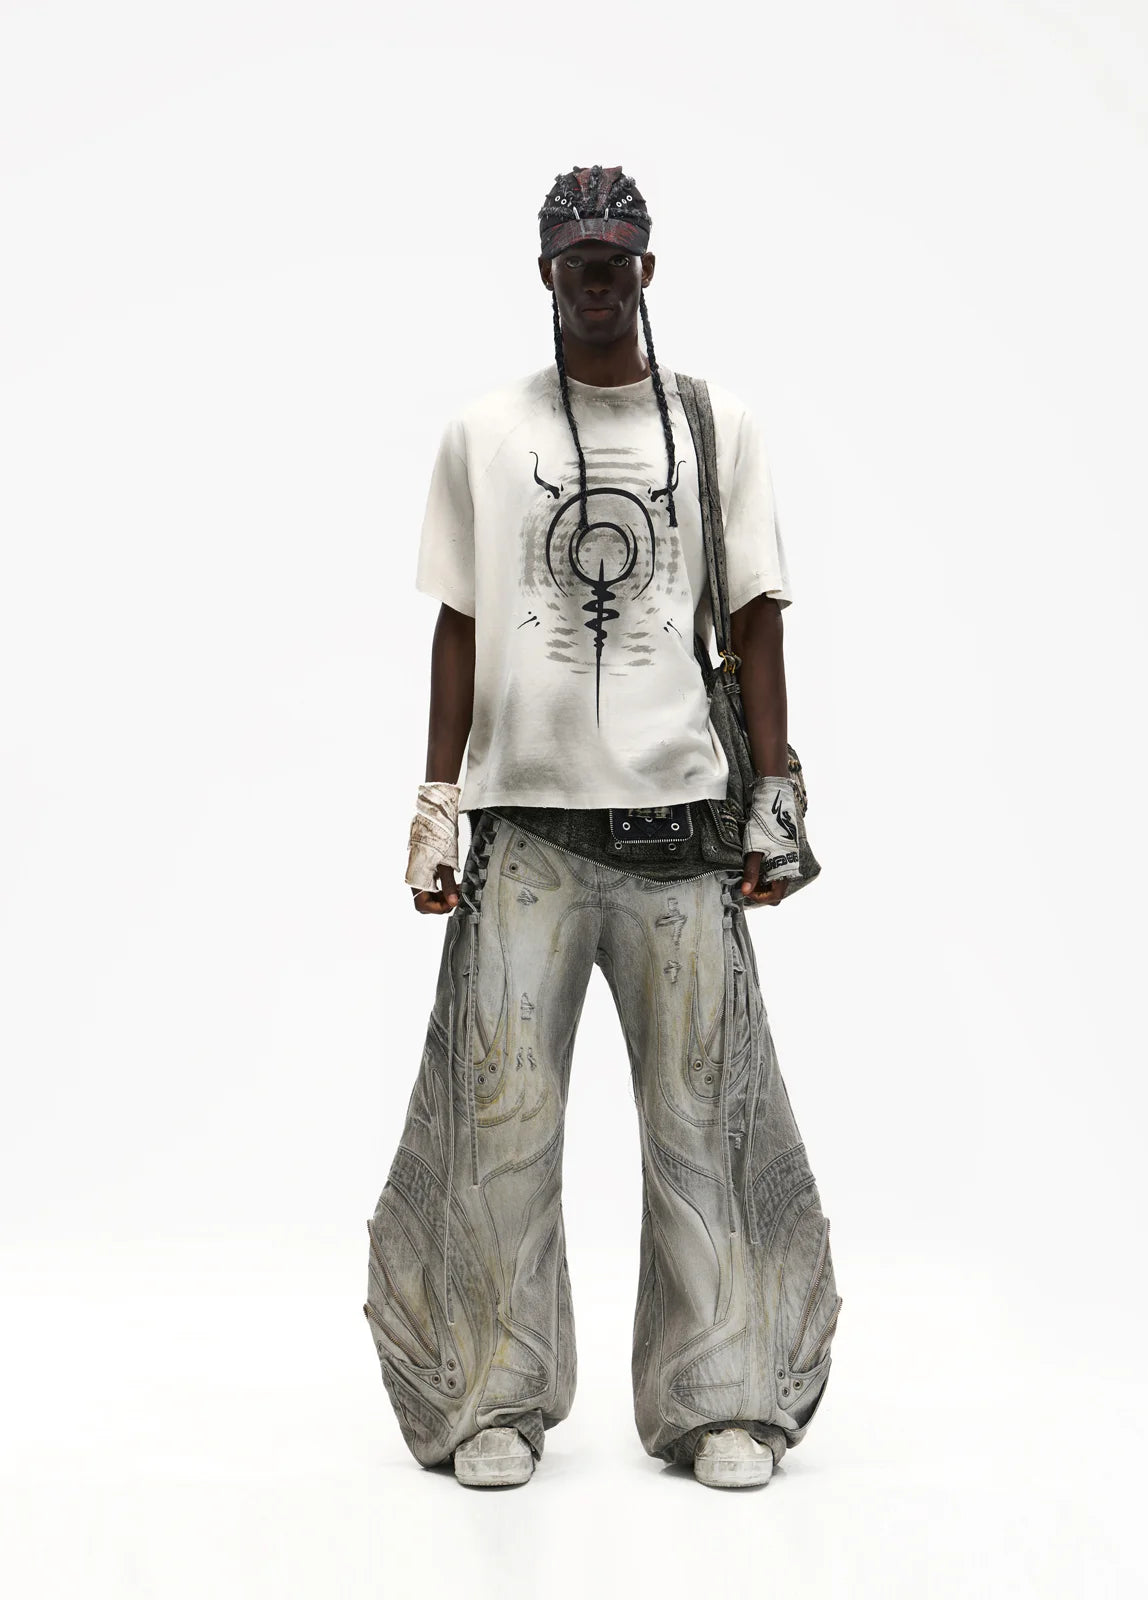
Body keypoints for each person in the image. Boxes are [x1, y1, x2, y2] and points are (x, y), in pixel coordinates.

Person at [364, 164, 841, 1490]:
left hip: (681, 831)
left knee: (706, 1121)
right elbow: (459, 623)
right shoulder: (484, 432)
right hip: (524, 837)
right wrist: (437, 802)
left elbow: (756, 616)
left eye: (613, 259)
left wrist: (775, 793)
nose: (593, 280)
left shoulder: (712, 427)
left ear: (646, 267)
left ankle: (725, 1397)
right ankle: (491, 1397)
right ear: (544, 271)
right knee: (499, 1122)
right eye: (574, 260)